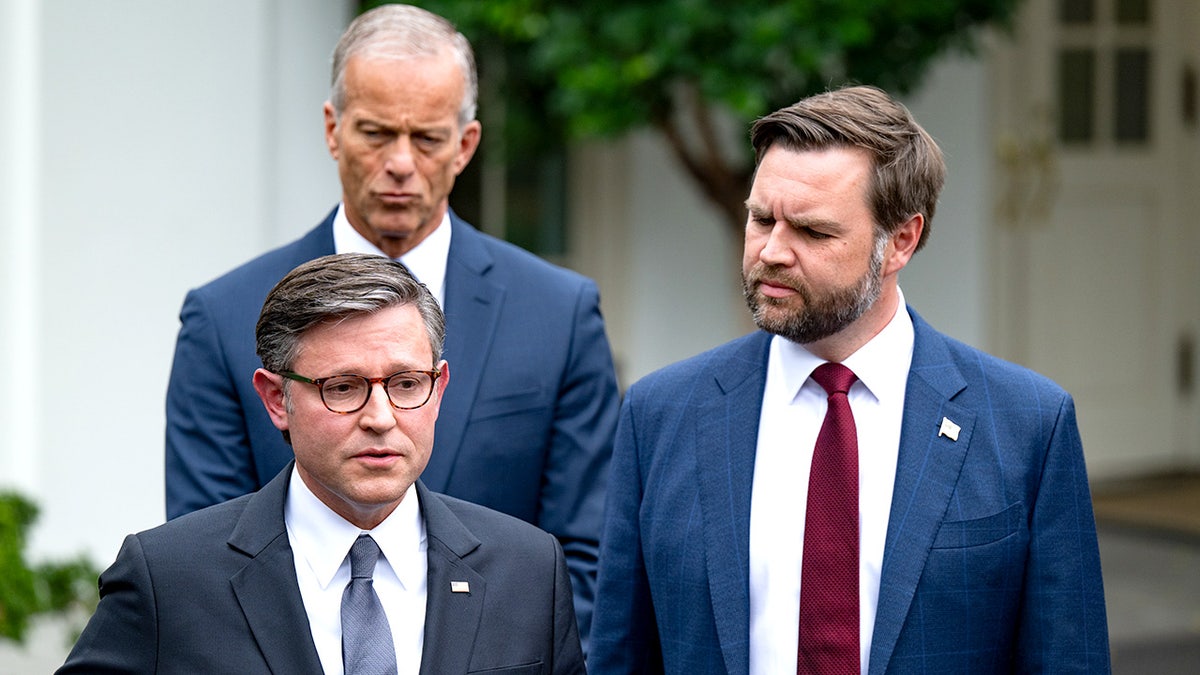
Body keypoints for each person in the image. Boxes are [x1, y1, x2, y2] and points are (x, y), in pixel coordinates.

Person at [588, 85, 1110, 674]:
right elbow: (620, 655)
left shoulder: (1026, 425)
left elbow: (1068, 658)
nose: (773, 252)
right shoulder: (661, 415)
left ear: (901, 241)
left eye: (813, 232)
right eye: (761, 219)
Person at [163, 4, 618, 644]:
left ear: (466, 146)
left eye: (428, 138)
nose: (401, 162)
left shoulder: (558, 314)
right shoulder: (223, 317)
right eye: (376, 133)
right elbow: (206, 569)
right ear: (332, 129)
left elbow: (587, 560)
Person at [61, 253, 585, 674]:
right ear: (275, 399)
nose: (380, 417)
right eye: (342, 387)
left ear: (439, 389)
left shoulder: (529, 570)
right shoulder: (169, 579)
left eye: (406, 384)